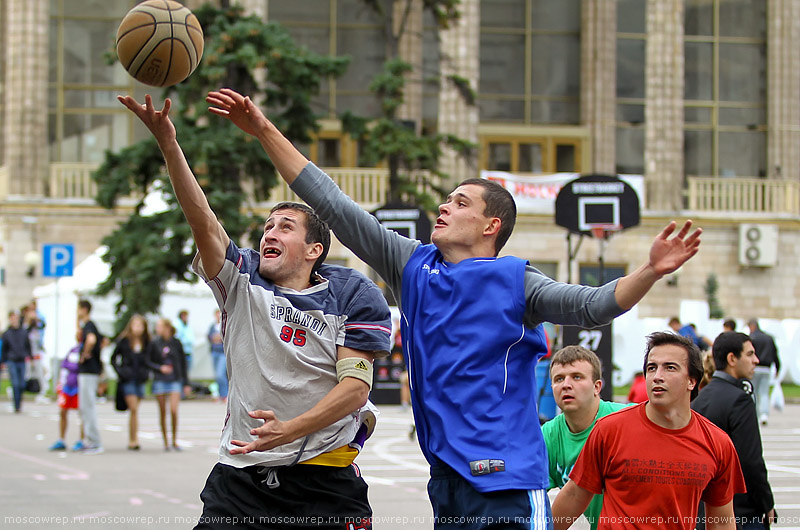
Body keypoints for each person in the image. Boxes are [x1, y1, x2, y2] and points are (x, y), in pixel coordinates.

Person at [206, 88, 703, 529]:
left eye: (461, 202)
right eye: (446, 199)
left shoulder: (516, 282)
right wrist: (263, 129)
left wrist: (651, 270)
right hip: (447, 475)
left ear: (491, 226)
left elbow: (593, 305)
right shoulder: (412, 266)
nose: (445, 206)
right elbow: (333, 204)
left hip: (506, 477)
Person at [118, 92, 392, 530]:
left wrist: (292, 428)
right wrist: (168, 142)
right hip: (241, 479)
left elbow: (355, 390)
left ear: (314, 250)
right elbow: (203, 219)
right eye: (267, 225)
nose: (270, 232)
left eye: (285, 227)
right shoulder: (241, 281)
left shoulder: (352, 294)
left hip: (323, 479)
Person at [551, 332, 745, 530]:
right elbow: (574, 495)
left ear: (692, 381)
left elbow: (721, 522)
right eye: (652, 368)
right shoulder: (609, 429)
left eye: (670, 368)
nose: (657, 376)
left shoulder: (718, 443)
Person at [692, 332, 777, 530]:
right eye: (749, 354)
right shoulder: (740, 400)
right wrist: (766, 503)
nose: (756, 360)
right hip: (740, 512)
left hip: (704, 511)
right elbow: (750, 460)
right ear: (732, 359)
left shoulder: (699, 400)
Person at [542, 345, 628, 530]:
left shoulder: (627, 420)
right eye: (559, 379)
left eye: (577, 377)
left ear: (597, 387)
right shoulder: (547, 435)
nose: (566, 384)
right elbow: (533, 498)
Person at [146, 318, 189, 451]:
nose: (157, 329)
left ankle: (175, 440)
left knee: (174, 410)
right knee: (163, 411)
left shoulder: (176, 343)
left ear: (167, 327)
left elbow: (183, 362)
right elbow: (147, 360)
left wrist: (185, 382)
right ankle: (165, 441)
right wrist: (160, 368)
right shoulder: (154, 343)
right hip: (160, 380)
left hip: (174, 379)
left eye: (159, 326)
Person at [111, 314, 152, 450]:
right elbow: (113, 358)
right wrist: (121, 371)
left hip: (140, 379)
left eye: (141, 326)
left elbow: (149, 359)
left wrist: (146, 372)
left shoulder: (146, 342)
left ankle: (133, 437)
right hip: (128, 379)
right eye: (136, 325)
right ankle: (133, 440)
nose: (138, 328)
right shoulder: (124, 341)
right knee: (133, 409)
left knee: (135, 411)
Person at [75, 299, 104, 454]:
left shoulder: (89, 325)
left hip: (88, 370)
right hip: (90, 370)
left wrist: (85, 354)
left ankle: (94, 442)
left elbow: (91, 340)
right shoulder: (86, 326)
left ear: (84, 309)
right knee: (84, 406)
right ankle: (90, 439)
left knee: (88, 406)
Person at [49, 330, 83, 451]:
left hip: (80, 387)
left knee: (82, 414)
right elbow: (64, 367)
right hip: (68, 387)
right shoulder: (73, 350)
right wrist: (60, 384)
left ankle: (82, 440)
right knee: (63, 411)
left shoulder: (87, 352)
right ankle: (61, 439)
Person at [746, 319, 780, 425]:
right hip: (767, 368)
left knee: (754, 392)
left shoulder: (752, 338)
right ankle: (764, 414)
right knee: (764, 392)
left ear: (752, 326)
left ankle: (754, 414)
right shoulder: (769, 338)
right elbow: (775, 353)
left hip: (755, 367)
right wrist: (777, 367)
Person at [1, 310, 32, 413]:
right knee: (15, 383)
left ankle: (19, 402)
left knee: (22, 384)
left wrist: (30, 357)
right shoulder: (7, 333)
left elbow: (28, 345)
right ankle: (16, 405)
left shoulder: (23, 332)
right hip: (11, 360)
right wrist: (3, 361)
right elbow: (4, 348)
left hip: (21, 360)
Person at [23, 303, 49, 404]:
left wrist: (36, 319)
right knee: (27, 374)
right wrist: (28, 320)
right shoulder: (26, 325)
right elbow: (24, 334)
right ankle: (18, 390)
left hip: (37, 353)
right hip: (29, 354)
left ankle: (42, 392)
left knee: (40, 374)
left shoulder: (37, 325)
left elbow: (43, 325)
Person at [206, 309, 227, 403]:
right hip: (215, 352)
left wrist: (220, 338)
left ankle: (225, 394)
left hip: (222, 352)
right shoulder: (212, 326)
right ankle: (219, 394)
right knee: (217, 375)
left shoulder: (225, 324)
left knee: (220, 374)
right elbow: (209, 336)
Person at [174, 309, 194, 375]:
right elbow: (178, 338)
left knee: (186, 373)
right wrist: (187, 341)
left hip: (187, 351)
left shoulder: (186, 325)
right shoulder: (177, 325)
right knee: (181, 373)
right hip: (181, 352)